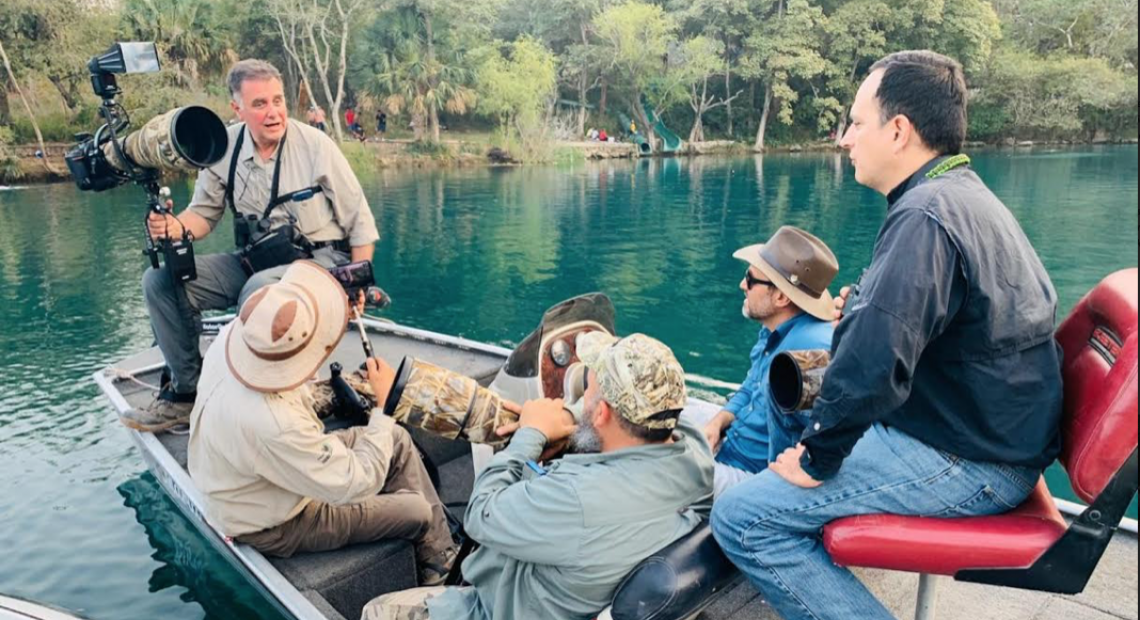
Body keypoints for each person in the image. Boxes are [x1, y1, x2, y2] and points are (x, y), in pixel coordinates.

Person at [711, 50, 1063, 620]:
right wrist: (866, 309)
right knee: (788, 419)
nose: (845, 139)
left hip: (969, 458)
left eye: (855, 122)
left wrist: (818, 458)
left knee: (742, 519)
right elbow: (944, 322)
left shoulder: (924, 216)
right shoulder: (959, 193)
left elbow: (873, 366)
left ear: (898, 130)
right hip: (987, 431)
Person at [360, 332, 715, 620]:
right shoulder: (693, 452)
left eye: (587, 389)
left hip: (499, 610)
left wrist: (531, 433)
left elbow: (482, 515)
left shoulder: (576, 499)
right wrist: (570, 418)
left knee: (376, 610)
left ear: (604, 412)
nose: (581, 394)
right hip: (587, 588)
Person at [121, 59, 380, 433]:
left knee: (259, 293)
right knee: (160, 280)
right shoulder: (222, 148)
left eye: (278, 101)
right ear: (237, 109)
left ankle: (274, 405)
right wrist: (174, 227)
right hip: (257, 258)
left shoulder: (315, 144)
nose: (273, 112)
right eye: (260, 104)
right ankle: (186, 394)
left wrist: (357, 283)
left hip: (323, 261)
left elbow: (361, 223)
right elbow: (202, 216)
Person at [187, 261, 457, 583]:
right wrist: (384, 405)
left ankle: (440, 555)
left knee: (396, 439)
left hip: (253, 476)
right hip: (275, 522)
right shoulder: (276, 424)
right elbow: (356, 483)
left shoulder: (236, 336)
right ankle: (439, 561)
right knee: (418, 511)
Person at [696, 227, 838, 497]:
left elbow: (826, 437)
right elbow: (749, 389)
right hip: (730, 443)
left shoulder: (812, 354)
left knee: (648, 462)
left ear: (782, 297)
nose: (742, 285)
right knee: (672, 410)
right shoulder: (774, 329)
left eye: (750, 279)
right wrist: (717, 423)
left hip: (749, 474)